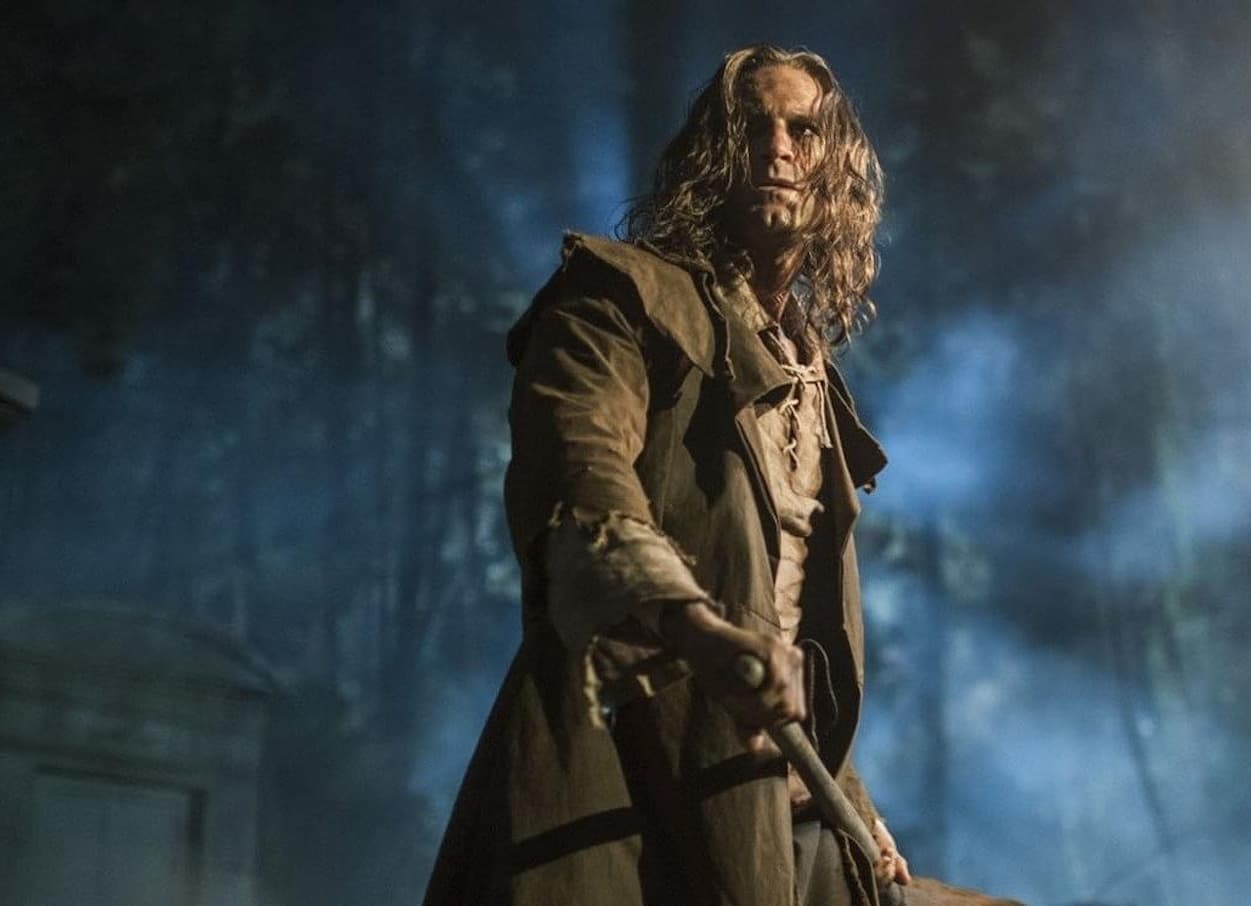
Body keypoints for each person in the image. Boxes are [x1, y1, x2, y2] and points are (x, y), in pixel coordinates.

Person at [425, 44, 1018, 906]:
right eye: (752, 127)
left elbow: (789, 620)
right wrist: (698, 627)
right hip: (629, 773)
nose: (777, 148)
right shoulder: (618, 296)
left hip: (777, 801)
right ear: (712, 158)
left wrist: (851, 800)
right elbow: (585, 484)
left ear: (835, 172)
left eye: (803, 131)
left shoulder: (813, 380)